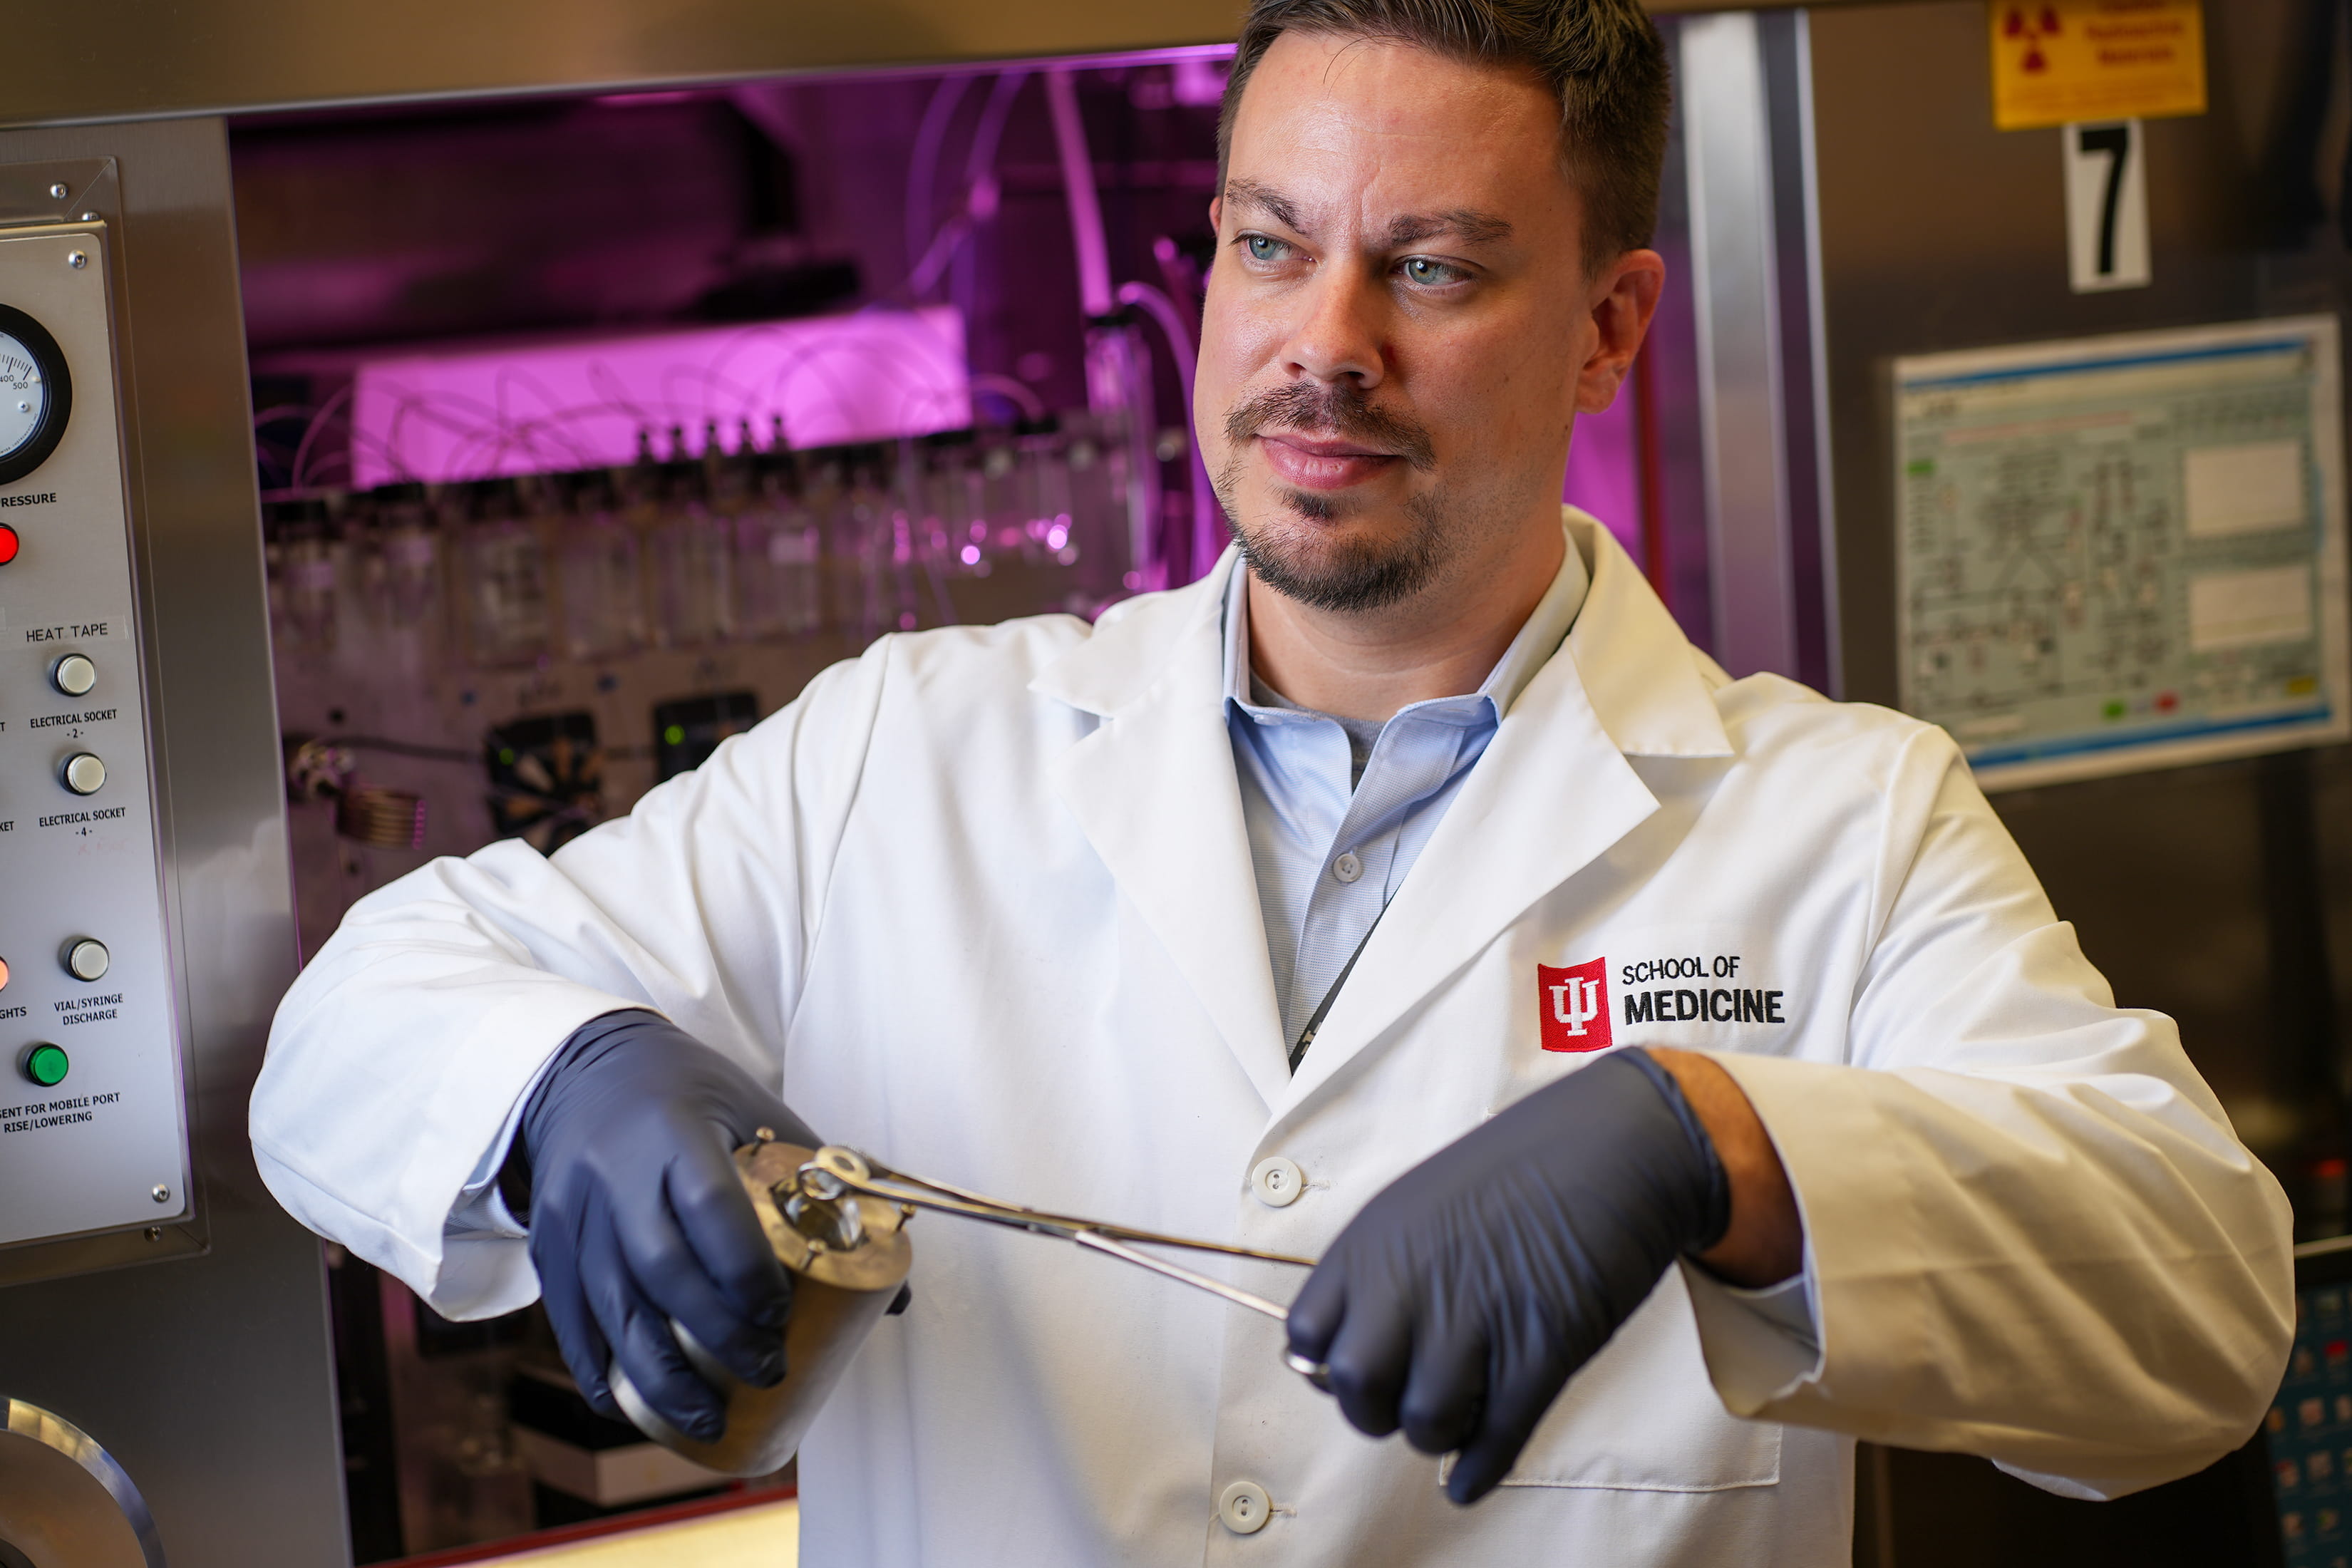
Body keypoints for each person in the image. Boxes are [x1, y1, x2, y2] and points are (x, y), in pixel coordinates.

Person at [252, 0, 2294, 1561]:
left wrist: (1720, 1143)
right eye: (1265, 242)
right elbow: (355, 1017)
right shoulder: (911, 748)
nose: (1320, 346)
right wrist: (572, 1076)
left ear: (1605, 327)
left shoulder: (1836, 822)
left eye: (1428, 268)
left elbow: (2197, 1318)